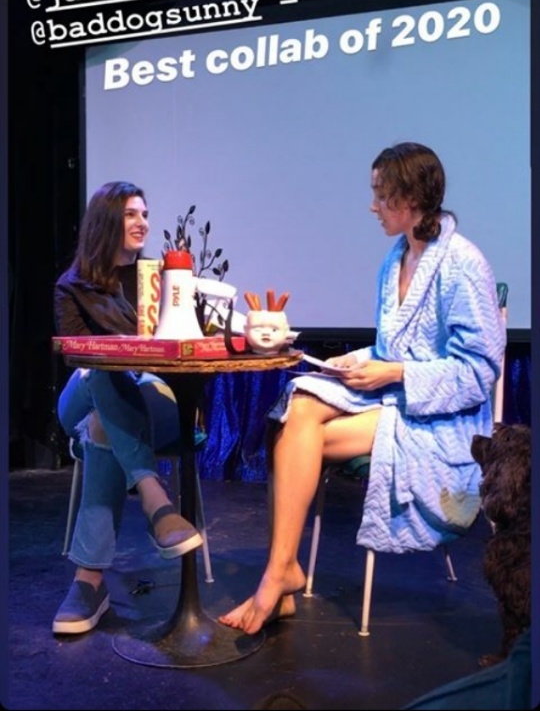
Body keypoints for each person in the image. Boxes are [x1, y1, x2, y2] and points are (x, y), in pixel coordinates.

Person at [219, 142, 506, 635]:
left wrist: (394, 374)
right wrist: (356, 361)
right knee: (299, 404)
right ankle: (281, 571)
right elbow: (392, 347)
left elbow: (479, 372)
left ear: (411, 197)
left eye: (381, 194)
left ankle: (279, 576)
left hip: (443, 417)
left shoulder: (463, 264)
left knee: (293, 436)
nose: (373, 207)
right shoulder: (395, 260)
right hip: (396, 396)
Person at [52, 180, 203, 635]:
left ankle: (88, 584)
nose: (143, 223)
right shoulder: (72, 286)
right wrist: (115, 355)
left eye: (145, 214)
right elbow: (75, 355)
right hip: (84, 393)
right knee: (101, 368)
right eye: (131, 214)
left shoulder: (158, 284)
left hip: (147, 397)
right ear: (106, 222)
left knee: (104, 424)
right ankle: (155, 498)